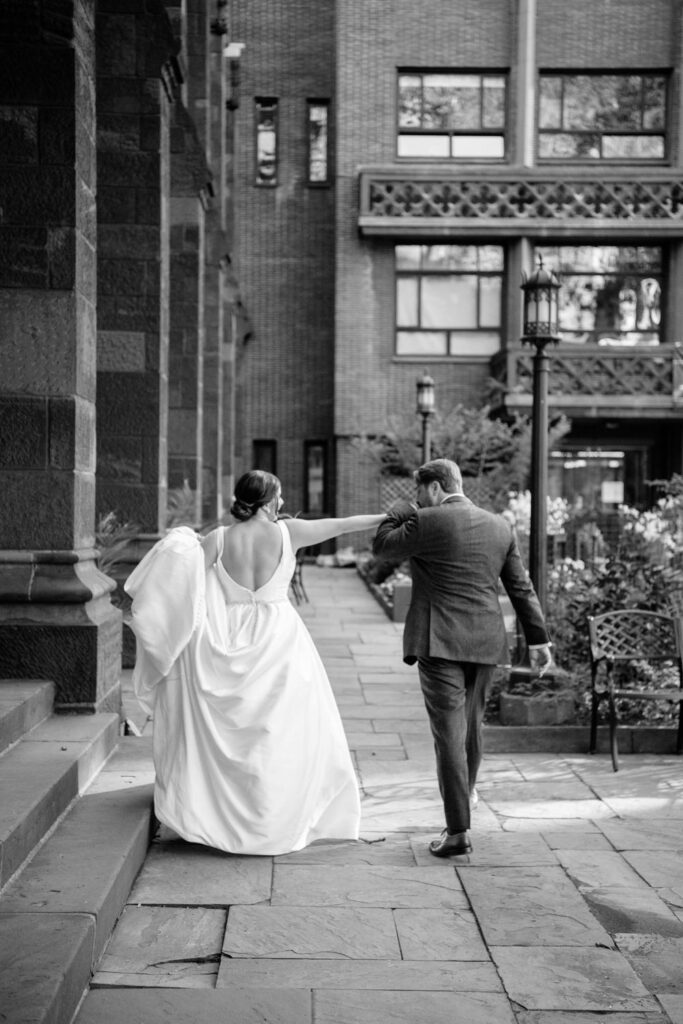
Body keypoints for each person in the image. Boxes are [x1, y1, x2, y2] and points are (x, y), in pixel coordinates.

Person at [125, 470, 385, 856]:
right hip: (278, 637)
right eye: (278, 496)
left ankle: (222, 815)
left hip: (226, 637)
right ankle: (273, 814)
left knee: (235, 730)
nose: (281, 502)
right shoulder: (289, 533)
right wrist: (385, 518)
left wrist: (181, 545)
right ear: (266, 501)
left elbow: (184, 583)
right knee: (279, 729)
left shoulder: (218, 539)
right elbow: (344, 526)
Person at [372, 458, 552, 858]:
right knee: (472, 725)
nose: (417, 499)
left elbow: (382, 546)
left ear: (435, 487)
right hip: (486, 641)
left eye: (419, 491)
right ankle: (465, 794)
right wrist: (539, 642)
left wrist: (404, 511)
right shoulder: (499, 526)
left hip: (439, 642)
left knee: (448, 734)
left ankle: (457, 831)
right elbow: (520, 587)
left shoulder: (428, 521)